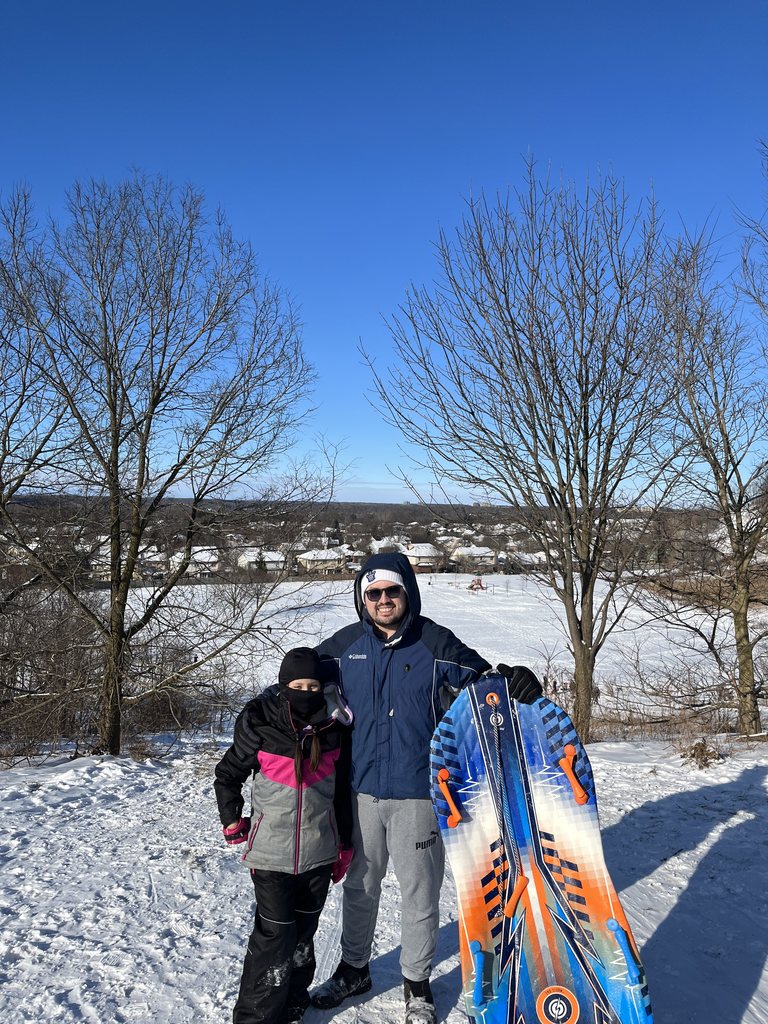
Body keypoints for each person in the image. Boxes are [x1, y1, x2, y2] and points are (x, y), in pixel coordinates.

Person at [310, 553, 542, 1024]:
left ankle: (417, 983)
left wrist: (517, 683)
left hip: (419, 792)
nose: (382, 601)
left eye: (391, 591)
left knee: (419, 890)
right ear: (362, 598)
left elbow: (485, 683)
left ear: (407, 592)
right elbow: (299, 678)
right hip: (361, 792)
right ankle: (354, 968)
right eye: (372, 594)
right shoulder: (344, 647)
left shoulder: (434, 642)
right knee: (361, 884)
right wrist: (261, 714)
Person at [214, 647, 354, 1024]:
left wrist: (344, 845)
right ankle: (255, 1017)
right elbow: (228, 774)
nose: (305, 692)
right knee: (275, 936)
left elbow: (342, 793)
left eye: (312, 685)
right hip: (270, 854)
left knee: (305, 934)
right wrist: (232, 819)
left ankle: (294, 999)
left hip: (319, 854)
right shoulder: (262, 722)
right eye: (297, 685)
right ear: (283, 686)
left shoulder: (334, 728)